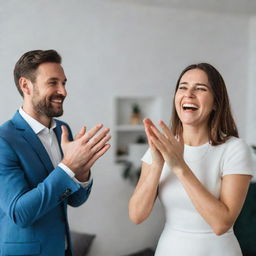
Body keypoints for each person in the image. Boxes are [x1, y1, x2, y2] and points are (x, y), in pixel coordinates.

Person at [128, 63, 253, 256]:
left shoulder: (235, 149)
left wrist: (180, 167)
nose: (189, 94)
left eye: (200, 88)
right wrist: (158, 164)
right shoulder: (161, 146)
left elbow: (221, 224)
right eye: (183, 87)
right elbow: (136, 215)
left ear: (216, 103)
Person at [0, 49, 111, 256]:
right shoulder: (4, 140)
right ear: (26, 85)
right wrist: (68, 166)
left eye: (64, 83)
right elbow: (20, 213)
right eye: (53, 83)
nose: (63, 91)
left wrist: (81, 172)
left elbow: (74, 200)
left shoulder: (63, 130)